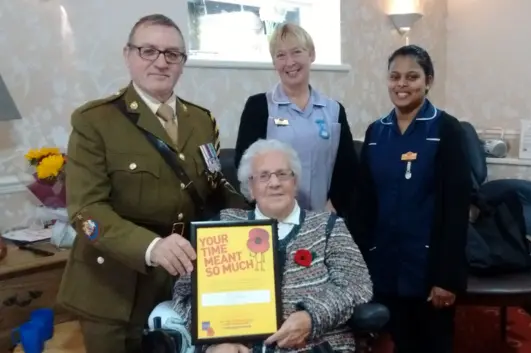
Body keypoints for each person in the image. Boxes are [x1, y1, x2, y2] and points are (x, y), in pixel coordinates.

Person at [57, 14, 246, 353]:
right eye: (149, 51)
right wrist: (151, 247)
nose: (161, 62)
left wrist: (260, 219)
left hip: (181, 283)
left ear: (182, 63)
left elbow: (216, 187)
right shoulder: (95, 121)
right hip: (113, 287)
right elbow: (86, 212)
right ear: (128, 55)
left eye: (172, 54)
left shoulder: (201, 120)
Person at [172, 139, 373, 353]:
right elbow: (185, 294)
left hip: (317, 346)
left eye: (283, 174)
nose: (274, 183)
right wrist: (215, 342)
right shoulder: (220, 228)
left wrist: (312, 318)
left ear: (295, 182)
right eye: (264, 176)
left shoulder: (327, 226)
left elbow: (357, 285)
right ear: (250, 186)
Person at [350, 45, 471, 353]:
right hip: (384, 264)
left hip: (429, 270)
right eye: (395, 77)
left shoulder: (446, 129)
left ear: (428, 81)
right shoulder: (377, 132)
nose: (402, 84)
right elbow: (364, 206)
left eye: (412, 77)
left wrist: (447, 278)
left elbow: (457, 210)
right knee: (395, 342)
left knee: (431, 344)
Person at [233, 23, 358, 217]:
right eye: (281, 55)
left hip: (321, 218)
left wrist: (333, 208)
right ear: (274, 62)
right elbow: (245, 167)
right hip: (273, 219)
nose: (289, 62)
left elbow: (347, 168)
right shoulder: (259, 107)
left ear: (311, 55)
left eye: (296, 52)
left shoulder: (334, 110)